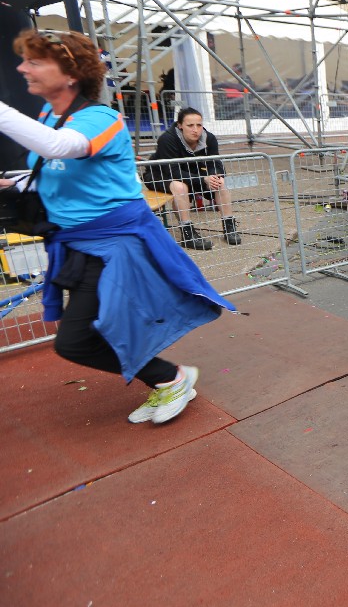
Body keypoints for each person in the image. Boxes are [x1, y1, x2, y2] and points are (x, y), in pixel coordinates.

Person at [0, 29, 233, 424]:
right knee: (97, 330)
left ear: (70, 74)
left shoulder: (102, 119)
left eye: (35, 62)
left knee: (76, 340)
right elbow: (56, 169)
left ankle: (171, 378)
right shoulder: (49, 116)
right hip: (80, 245)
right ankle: (168, 379)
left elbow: (59, 148)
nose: (23, 68)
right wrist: (20, 183)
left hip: (115, 247)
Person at [144, 107, 241, 250]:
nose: (195, 130)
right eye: (190, 125)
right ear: (180, 125)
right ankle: (188, 234)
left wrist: (214, 176)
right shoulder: (167, 139)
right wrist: (203, 179)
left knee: (220, 182)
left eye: (199, 125)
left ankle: (229, 227)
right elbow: (172, 171)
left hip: (192, 174)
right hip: (159, 175)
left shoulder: (209, 138)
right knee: (180, 187)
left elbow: (216, 163)